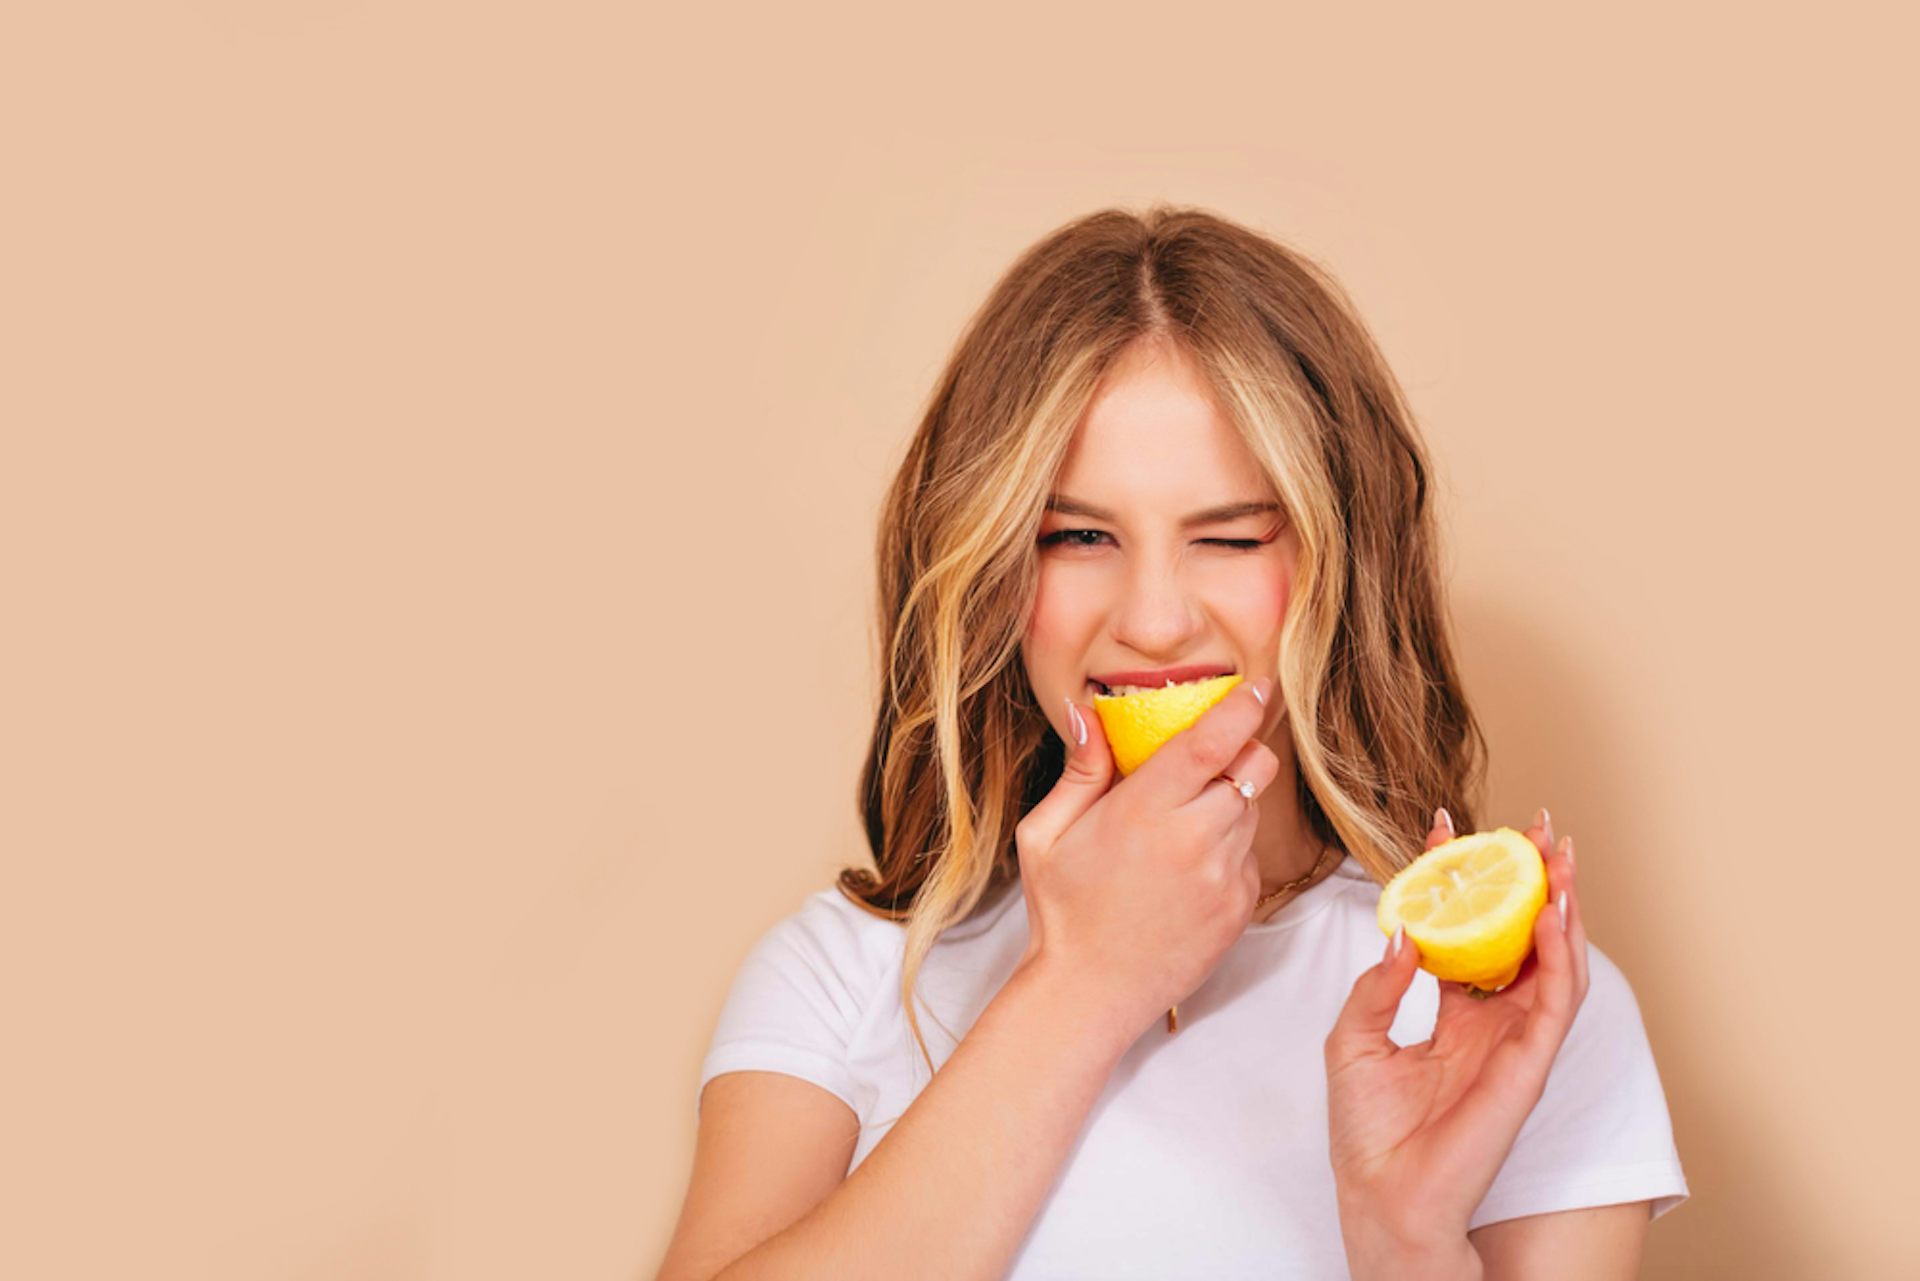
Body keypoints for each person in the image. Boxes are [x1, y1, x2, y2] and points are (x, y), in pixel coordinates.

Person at [657, 205, 1688, 1280]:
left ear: (1344, 569)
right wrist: (1082, 983)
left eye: (1231, 537)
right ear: (991, 566)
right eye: (1076, 536)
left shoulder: (1515, 1017)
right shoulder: (843, 975)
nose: (1153, 622)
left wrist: (1409, 1242)